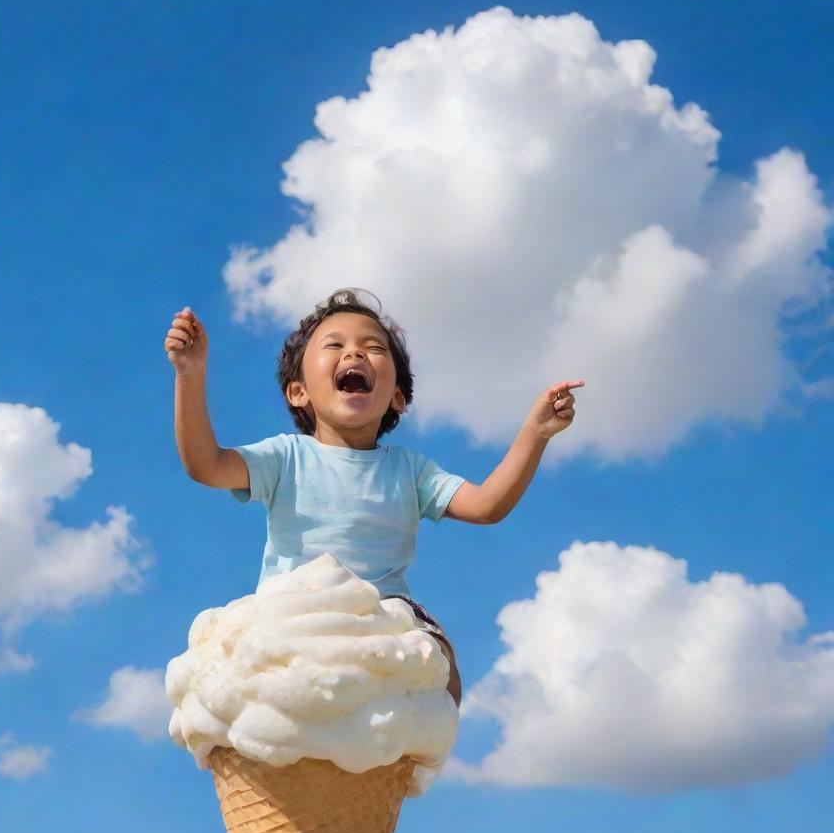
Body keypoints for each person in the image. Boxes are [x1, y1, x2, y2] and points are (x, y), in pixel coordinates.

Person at [164, 287, 584, 708]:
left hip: (384, 620)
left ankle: (410, 759)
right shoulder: (286, 457)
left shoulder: (409, 470)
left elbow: (487, 505)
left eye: (373, 348)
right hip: (294, 614)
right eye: (334, 345)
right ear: (299, 392)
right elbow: (206, 465)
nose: (355, 355)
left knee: (443, 670)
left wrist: (537, 432)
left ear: (396, 398)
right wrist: (190, 375)